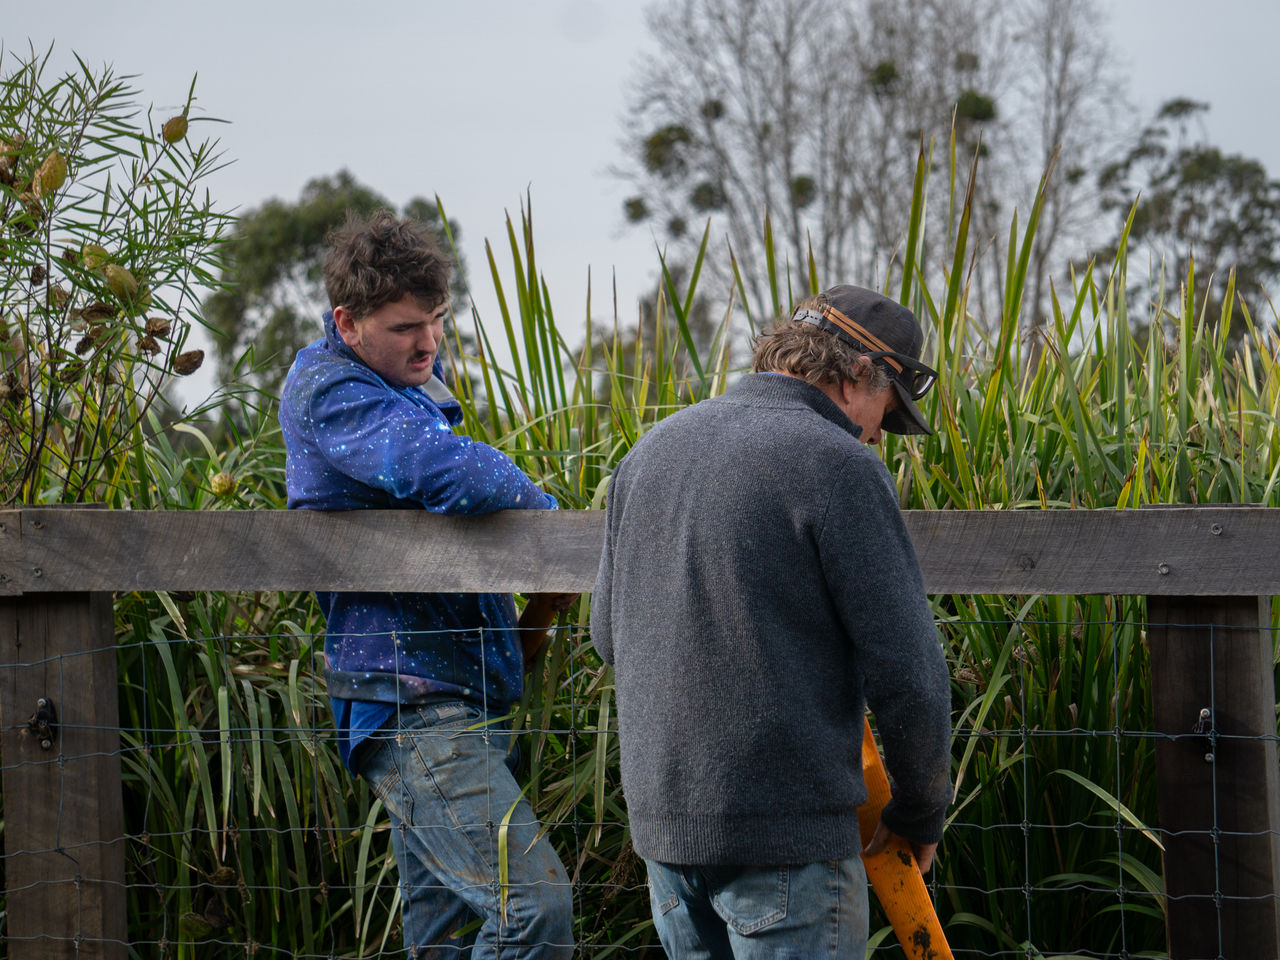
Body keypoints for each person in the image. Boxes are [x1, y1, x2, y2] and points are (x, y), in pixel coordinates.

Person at [590, 284, 953, 959]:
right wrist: (918, 813)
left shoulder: (648, 453)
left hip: (666, 845)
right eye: (885, 412)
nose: (878, 434)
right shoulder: (837, 464)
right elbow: (911, 676)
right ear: (854, 377)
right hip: (788, 850)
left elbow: (607, 639)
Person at [279, 210, 574, 958]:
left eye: (438, 320)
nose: (430, 342)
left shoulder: (395, 385)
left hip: (455, 692)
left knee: (441, 938)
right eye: (407, 326)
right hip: (410, 700)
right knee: (534, 909)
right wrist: (548, 526)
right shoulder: (330, 390)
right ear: (347, 322)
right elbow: (459, 473)